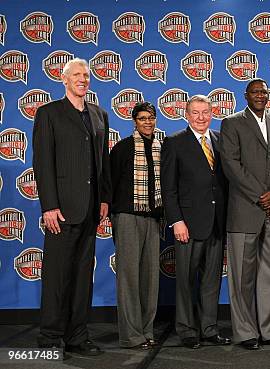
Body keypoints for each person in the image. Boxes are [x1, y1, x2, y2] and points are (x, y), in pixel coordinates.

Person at [33, 57, 110, 356]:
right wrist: (49, 206)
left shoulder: (99, 114)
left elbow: (101, 161)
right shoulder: (48, 113)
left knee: (81, 277)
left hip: (90, 209)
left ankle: (78, 336)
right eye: (76, 74)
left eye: (86, 75)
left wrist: (104, 198)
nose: (82, 79)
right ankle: (50, 338)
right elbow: (42, 163)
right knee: (57, 277)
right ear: (63, 79)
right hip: (61, 210)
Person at [219, 78, 270, 350]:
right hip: (245, 210)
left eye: (263, 92)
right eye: (255, 92)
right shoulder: (231, 123)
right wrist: (263, 196)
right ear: (246, 96)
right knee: (243, 277)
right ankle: (245, 332)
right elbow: (231, 166)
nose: (260, 96)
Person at [161, 95, 230, 349]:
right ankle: (187, 330)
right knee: (186, 281)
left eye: (205, 112)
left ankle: (209, 329)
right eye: (195, 113)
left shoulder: (221, 141)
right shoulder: (175, 142)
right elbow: (168, 188)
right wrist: (176, 220)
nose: (201, 117)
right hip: (187, 225)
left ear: (212, 114)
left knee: (212, 280)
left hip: (216, 223)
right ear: (186, 115)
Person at [110, 102, 163, 350]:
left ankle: (147, 330)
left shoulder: (161, 147)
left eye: (151, 118)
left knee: (150, 278)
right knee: (129, 276)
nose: (147, 122)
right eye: (142, 118)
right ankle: (131, 335)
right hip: (127, 216)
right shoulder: (122, 148)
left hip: (153, 218)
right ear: (134, 121)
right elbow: (110, 182)